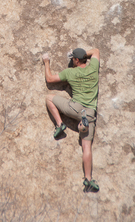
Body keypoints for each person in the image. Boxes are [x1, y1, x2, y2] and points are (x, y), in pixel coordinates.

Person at [42, 47, 100, 192]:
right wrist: (82, 55)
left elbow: (49, 79)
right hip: (90, 113)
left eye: (73, 58)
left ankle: (60, 125)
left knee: (49, 98)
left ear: (75, 60)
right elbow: (96, 51)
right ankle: (88, 179)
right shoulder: (93, 68)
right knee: (87, 147)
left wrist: (46, 62)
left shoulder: (70, 72)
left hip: (75, 109)